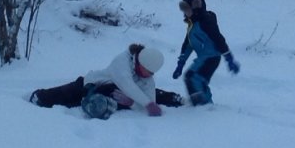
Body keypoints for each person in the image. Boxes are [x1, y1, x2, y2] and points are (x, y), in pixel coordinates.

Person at [29, 44, 184, 119]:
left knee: (150, 94)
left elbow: (149, 101)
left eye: (152, 73)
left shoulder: (147, 77)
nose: (150, 76)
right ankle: (39, 97)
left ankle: (177, 99)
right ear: (140, 63)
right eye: (148, 71)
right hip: (91, 84)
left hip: (117, 94)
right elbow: (126, 83)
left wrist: (132, 103)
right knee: (65, 97)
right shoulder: (122, 61)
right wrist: (148, 104)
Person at [172, 0, 240, 105]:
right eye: (183, 10)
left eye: (186, 9)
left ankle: (204, 105)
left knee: (193, 78)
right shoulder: (192, 24)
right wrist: (181, 63)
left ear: (196, 7)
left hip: (211, 58)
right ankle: (203, 105)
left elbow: (219, 39)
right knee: (194, 79)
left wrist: (229, 59)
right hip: (203, 58)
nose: (184, 12)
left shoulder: (206, 22)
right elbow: (188, 45)